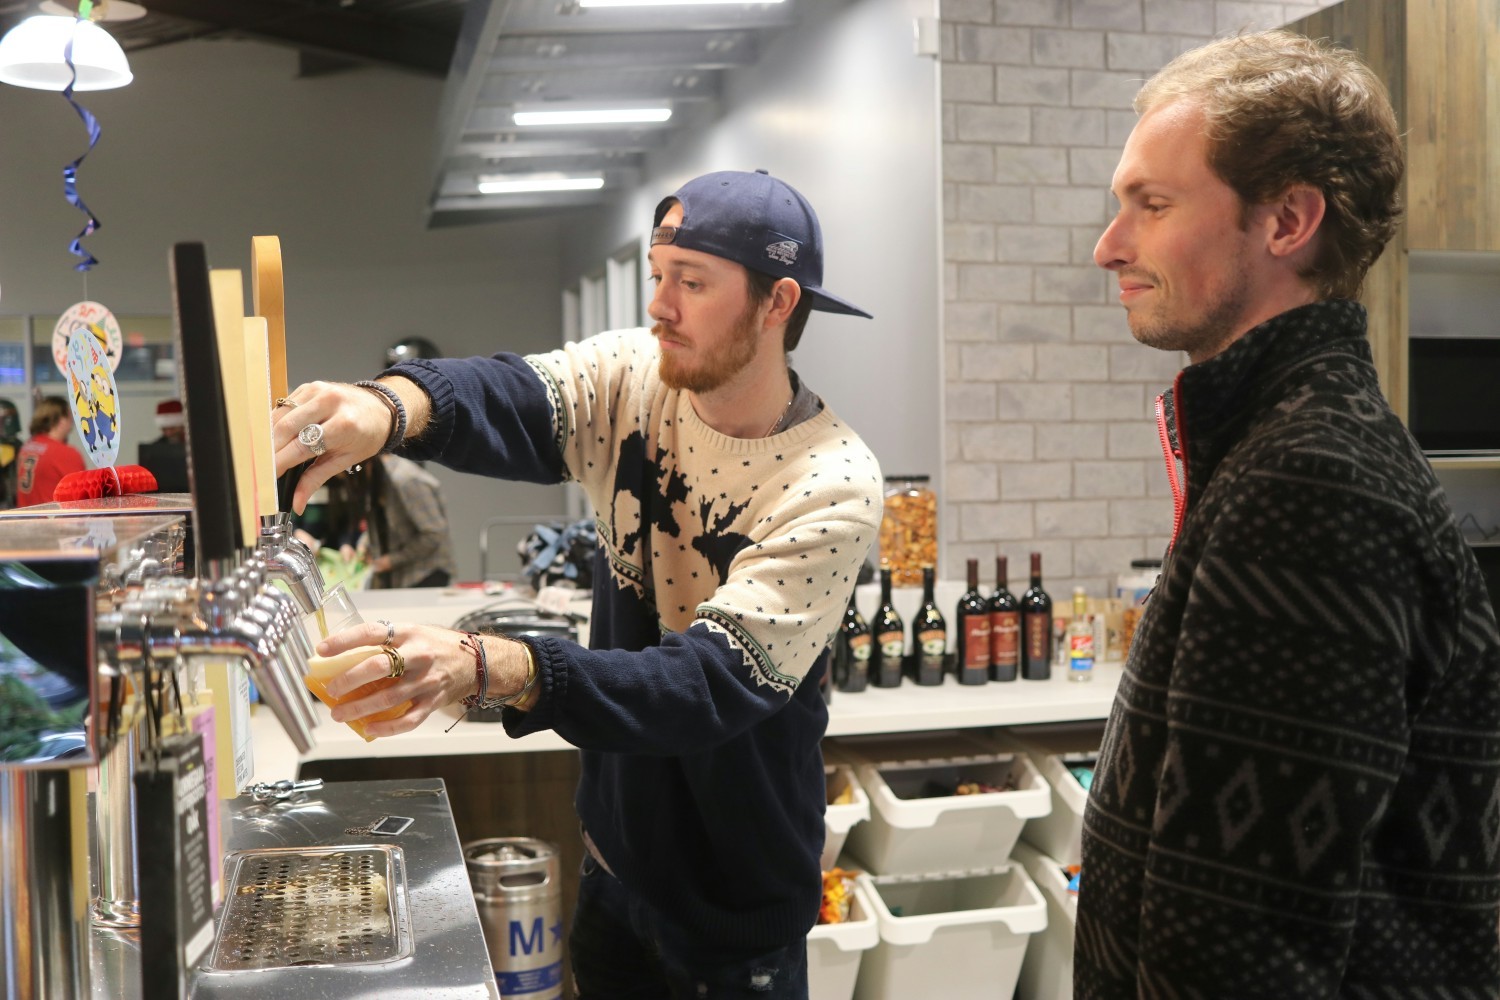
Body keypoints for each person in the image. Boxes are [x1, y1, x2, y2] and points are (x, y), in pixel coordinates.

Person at [272, 169, 881, 997]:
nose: (661, 305)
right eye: (658, 276)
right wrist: (386, 408)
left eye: (693, 283)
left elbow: (701, 687)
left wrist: (498, 666)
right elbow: (517, 396)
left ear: (778, 303)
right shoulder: (639, 376)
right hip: (610, 858)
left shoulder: (830, 479)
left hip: (730, 908)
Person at [1077, 30, 1500, 997]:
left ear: (1286, 222)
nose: (1110, 248)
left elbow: (1237, 946)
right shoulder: (1284, 447)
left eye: (1152, 204)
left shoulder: (1308, 485)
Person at [357, 453, 457, 588]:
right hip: (401, 579)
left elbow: (434, 534)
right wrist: (365, 545)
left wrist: (392, 560)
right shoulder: (378, 482)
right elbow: (386, 526)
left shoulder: (406, 479)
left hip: (426, 576)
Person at [16, 395, 85, 507]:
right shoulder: (65, 453)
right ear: (62, 421)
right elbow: (83, 499)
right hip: (52, 522)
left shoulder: (27, 446)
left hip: (25, 519)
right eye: (70, 417)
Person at [137, 398, 190, 493]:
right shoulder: (154, 449)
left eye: (172, 428)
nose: (169, 433)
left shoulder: (193, 447)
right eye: (165, 429)